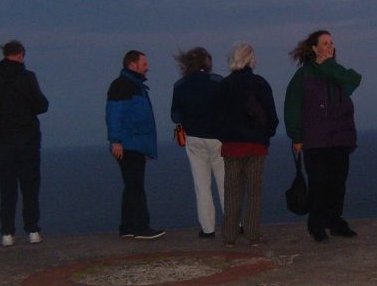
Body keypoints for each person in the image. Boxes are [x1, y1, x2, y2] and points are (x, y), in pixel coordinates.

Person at [285, 30, 362, 243]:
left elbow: (354, 79)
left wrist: (327, 65)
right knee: (319, 184)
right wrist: (296, 136)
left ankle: (335, 222)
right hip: (315, 140)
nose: (330, 46)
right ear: (314, 48)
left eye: (332, 43)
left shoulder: (337, 72)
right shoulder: (303, 75)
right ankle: (317, 225)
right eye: (325, 43)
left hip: (340, 138)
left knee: (338, 183)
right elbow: (292, 106)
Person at [0, 40, 49, 247]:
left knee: (7, 186)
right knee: (30, 185)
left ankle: (7, 233)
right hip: (28, 138)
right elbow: (42, 105)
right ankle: (33, 230)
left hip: (3, 139)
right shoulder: (27, 77)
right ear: (20, 55)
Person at [213, 43, 278, 247]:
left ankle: (229, 236)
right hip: (256, 145)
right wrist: (266, 135)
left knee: (232, 192)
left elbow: (217, 117)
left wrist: (225, 136)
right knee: (254, 193)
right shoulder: (260, 84)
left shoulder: (224, 85)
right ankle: (253, 235)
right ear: (251, 59)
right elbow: (271, 116)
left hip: (232, 146)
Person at [106, 50, 165, 240]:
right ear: (133, 65)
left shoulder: (133, 86)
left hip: (133, 144)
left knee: (131, 185)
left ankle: (127, 227)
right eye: (144, 64)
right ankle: (141, 227)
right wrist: (116, 140)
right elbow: (114, 114)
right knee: (136, 186)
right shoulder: (123, 86)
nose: (147, 67)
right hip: (128, 144)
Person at [171, 47, 225, 238]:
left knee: (201, 186)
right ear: (207, 62)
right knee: (225, 183)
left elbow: (175, 116)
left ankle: (208, 229)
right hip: (218, 138)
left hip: (193, 138)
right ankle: (235, 223)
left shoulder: (180, 85)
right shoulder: (218, 82)